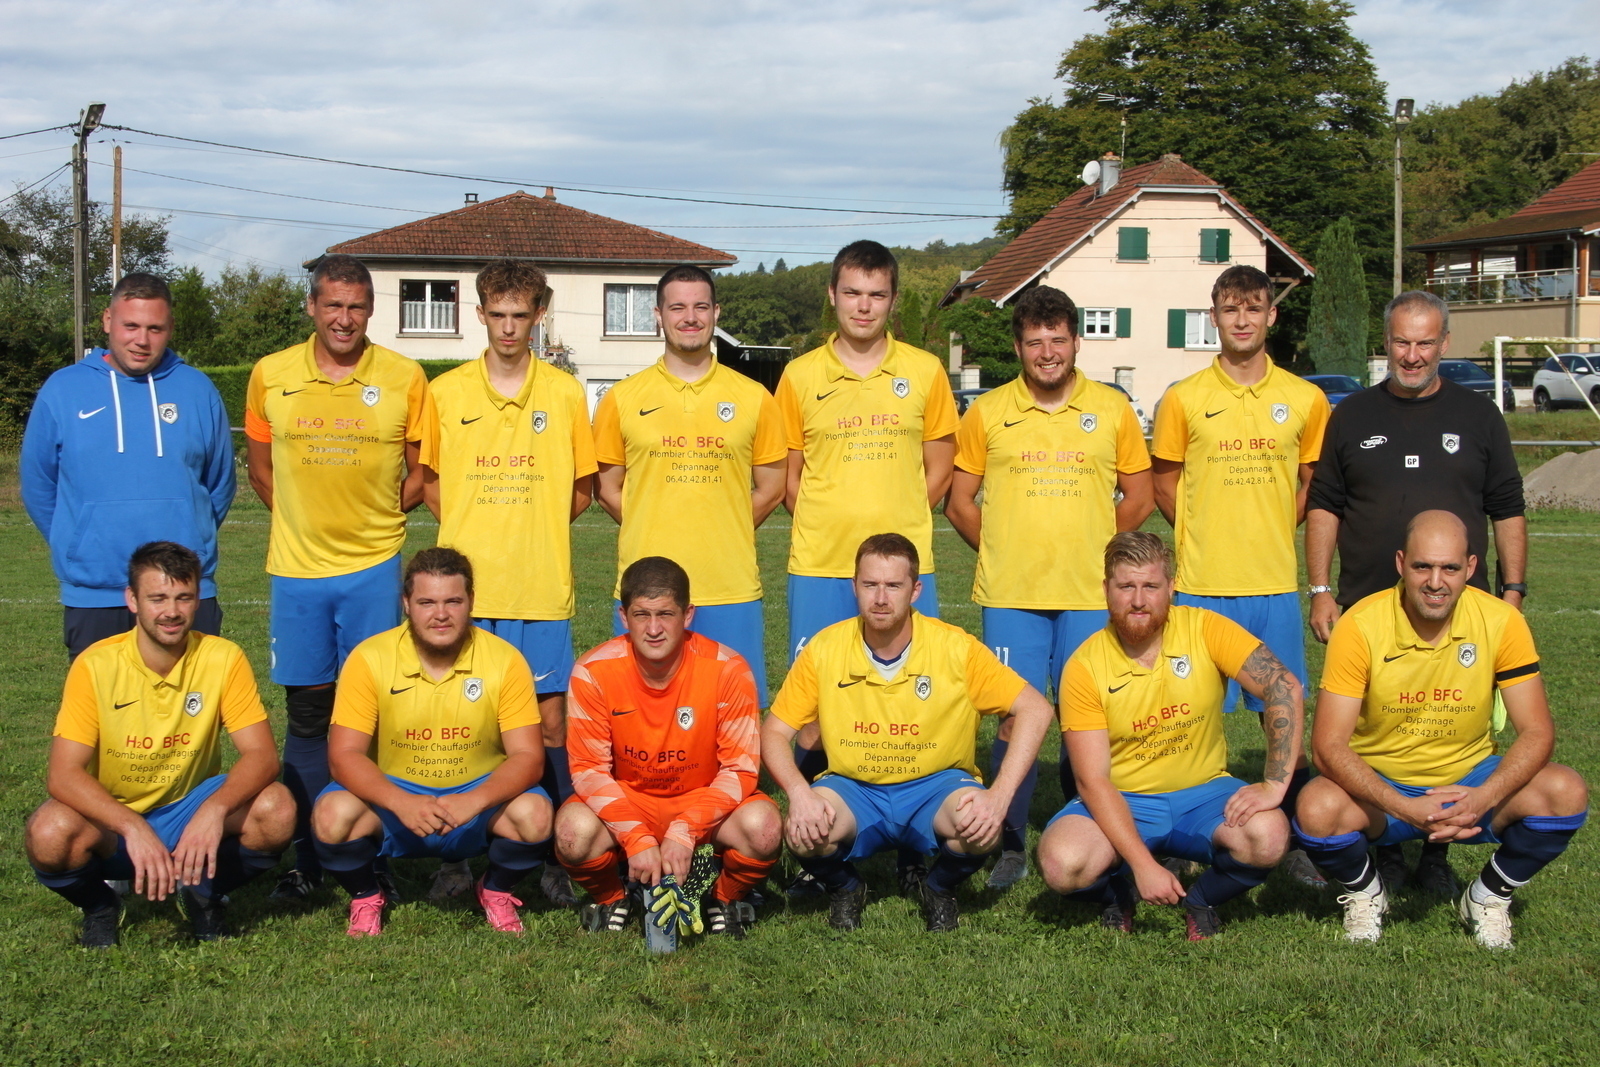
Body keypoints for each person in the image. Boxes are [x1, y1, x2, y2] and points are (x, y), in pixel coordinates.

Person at [1306, 290, 1527, 897]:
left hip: (1452, 607)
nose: (1412, 354)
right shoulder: (1351, 415)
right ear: (1387, 344)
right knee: (1367, 731)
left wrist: (1512, 589)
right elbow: (1325, 503)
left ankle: (1439, 848)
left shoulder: (1480, 416)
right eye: (1402, 342)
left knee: (1446, 725)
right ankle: (1388, 841)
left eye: (1425, 342)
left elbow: (1507, 507)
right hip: (1365, 610)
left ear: (1444, 344)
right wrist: (1322, 588)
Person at [1294, 511, 1585, 947]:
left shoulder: (1502, 621)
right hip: (1384, 787)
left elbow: (1538, 731)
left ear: (1469, 567)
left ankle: (1487, 896)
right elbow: (1328, 747)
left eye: (1449, 568)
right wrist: (1403, 807)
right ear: (1400, 563)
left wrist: (1482, 797)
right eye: (1422, 566)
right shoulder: (1359, 625)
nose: (1435, 581)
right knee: (1315, 808)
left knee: (1566, 791)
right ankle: (1366, 894)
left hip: (1469, 783)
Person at [946, 284, 1153, 887]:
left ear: (1075, 341)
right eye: (1034, 342)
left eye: (1056, 339)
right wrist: (1005, 546)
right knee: (1013, 716)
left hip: (1089, 593)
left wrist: (1099, 549)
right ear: (1018, 347)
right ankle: (1007, 834)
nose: (1046, 352)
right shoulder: (987, 412)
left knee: (1087, 715)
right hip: (1013, 594)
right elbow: (960, 502)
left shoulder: (1111, 409)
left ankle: (1083, 818)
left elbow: (1138, 496)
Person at [774, 241, 959, 891]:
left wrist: (905, 520)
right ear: (832, 294)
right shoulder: (799, 376)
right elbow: (790, 476)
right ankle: (820, 842)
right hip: (822, 564)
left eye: (877, 294)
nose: (863, 305)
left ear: (892, 300)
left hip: (905, 571)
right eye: (852, 292)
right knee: (813, 713)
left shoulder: (926, 372)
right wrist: (831, 523)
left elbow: (940, 462)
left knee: (907, 702)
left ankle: (913, 841)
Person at [245, 253, 427, 898]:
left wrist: (373, 521)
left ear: (371, 309)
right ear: (311, 308)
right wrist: (306, 523)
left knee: (373, 717)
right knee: (308, 716)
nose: (344, 318)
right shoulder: (271, 375)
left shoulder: (405, 377)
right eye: (332, 305)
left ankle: (368, 851)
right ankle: (310, 859)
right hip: (296, 573)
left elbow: (419, 473)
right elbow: (261, 472)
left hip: (375, 569)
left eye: (355, 306)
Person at [761, 533, 1055, 932]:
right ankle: (846, 887)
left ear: (915, 590)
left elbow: (1036, 709)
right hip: (855, 786)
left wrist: (999, 797)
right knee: (802, 832)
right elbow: (774, 731)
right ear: (854, 587)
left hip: (937, 786)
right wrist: (799, 794)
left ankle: (939, 887)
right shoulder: (824, 649)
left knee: (981, 829)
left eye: (893, 585)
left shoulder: (955, 648)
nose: (881, 598)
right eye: (870, 584)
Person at [421, 258, 595, 906]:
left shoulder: (566, 394)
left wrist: (533, 523)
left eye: (521, 314)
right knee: (467, 728)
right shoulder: (447, 394)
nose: (509, 326)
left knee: (550, 727)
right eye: (497, 313)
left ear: (539, 315)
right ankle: (458, 859)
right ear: (480, 314)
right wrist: (477, 528)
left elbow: (580, 488)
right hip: (466, 596)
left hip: (540, 586)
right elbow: (433, 482)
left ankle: (553, 857)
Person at [1150, 264, 1328, 883]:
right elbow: (1164, 480)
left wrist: (1277, 525)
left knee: (1280, 710)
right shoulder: (1184, 397)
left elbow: (1312, 481)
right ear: (1215, 317)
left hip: (1273, 584)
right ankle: (1178, 825)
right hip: (1201, 584)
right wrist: (1201, 531)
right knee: (1189, 712)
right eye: (1231, 310)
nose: (1243, 320)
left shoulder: (1306, 398)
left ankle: (1300, 832)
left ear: (1271, 316)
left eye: (1254, 309)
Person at [1035, 532, 1304, 940]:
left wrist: (1274, 785)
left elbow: (1284, 687)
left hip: (1205, 792)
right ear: (1106, 589)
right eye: (1126, 586)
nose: (1138, 600)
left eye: (1151, 586)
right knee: (1061, 863)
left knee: (1269, 835)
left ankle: (1203, 900)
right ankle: (1117, 895)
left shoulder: (1206, 628)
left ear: (1171, 588)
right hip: (1126, 800)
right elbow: (1092, 780)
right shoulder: (1084, 666)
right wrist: (1143, 866)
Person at [23, 542, 293, 947]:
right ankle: (100, 907)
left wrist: (214, 811)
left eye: (183, 597)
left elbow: (262, 756)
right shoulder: (96, 664)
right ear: (132, 600)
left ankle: (202, 891)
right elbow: (63, 775)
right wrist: (131, 826)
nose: (171, 611)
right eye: (158, 598)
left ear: (197, 598)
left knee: (277, 809)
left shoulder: (223, 657)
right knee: (49, 832)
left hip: (189, 808)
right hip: (115, 815)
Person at [311, 548, 554, 937]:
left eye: (453, 601)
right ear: (406, 604)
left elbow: (528, 757)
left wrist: (472, 801)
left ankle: (494, 891)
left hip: (475, 799)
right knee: (331, 816)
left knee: (536, 816)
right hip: (394, 799)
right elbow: (343, 756)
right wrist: (400, 801)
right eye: (426, 602)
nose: (440, 614)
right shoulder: (369, 658)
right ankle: (366, 895)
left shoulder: (505, 660)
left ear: (471, 602)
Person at [556, 556, 781, 948]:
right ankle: (612, 898)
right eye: (642, 615)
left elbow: (741, 768)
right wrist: (637, 837)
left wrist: (686, 828)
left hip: (701, 798)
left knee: (764, 827)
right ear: (623, 616)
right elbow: (589, 770)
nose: (654, 628)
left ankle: (724, 899)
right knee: (571, 833)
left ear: (688, 614)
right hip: (632, 799)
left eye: (666, 614)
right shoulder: (593, 670)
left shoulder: (728, 668)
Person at [592, 264, 786, 705]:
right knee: (638, 714)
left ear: (716, 313)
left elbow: (772, 487)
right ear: (658, 315)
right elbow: (607, 488)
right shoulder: (622, 399)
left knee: (733, 716)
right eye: (677, 307)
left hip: (729, 585)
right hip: (647, 589)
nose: (690, 317)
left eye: (701, 306)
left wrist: (725, 526)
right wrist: (654, 524)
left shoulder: (755, 397)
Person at [21, 273, 235, 660]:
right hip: (96, 595)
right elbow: (39, 484)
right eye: (130, 325)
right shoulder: (63, 389)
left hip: (184, 593)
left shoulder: (198, 389)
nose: (142, 340)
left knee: (189, 716)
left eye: (155, 328)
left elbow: (219, 482)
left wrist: (191, 532)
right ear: (107, 321)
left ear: (169, 328)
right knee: (102, 717)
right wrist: (79, 541)